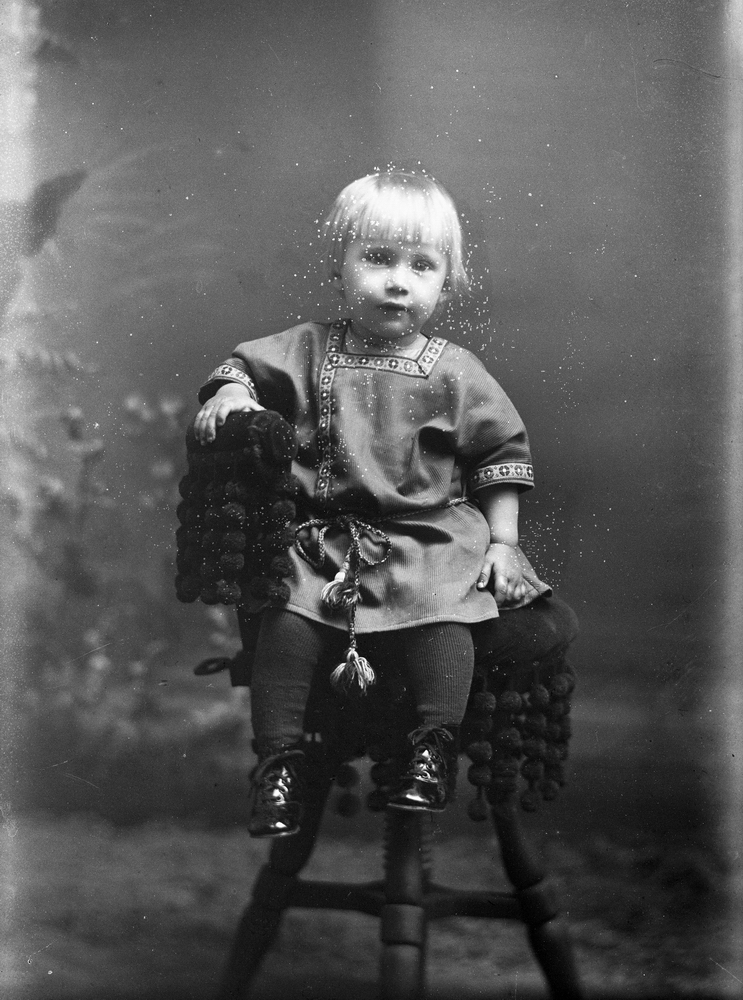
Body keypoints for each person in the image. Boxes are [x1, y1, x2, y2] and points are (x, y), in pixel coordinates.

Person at [193, 170, 548, 838]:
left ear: (447, 283)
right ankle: (279, 765)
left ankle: (431, 750)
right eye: (378, 258)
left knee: (446, 616)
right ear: (340, 267)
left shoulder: (456, 371)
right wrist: (233, 394)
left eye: (421, 265)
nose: (397, 281)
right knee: (285, 619)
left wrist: (503, 543)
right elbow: (242, 367)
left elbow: (499, 457)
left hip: (427, 537)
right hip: (323, 543)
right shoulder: (307, 347)